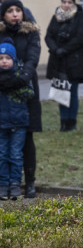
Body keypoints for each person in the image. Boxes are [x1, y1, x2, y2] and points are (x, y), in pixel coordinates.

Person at [0, 0, 40, 198]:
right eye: (10, 11)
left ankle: (29, 181)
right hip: (2, 93)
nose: (15, 14)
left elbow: (33, 57)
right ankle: (5, 181)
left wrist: (22, 76)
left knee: (27, 138)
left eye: (18, 10)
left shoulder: (30, 33)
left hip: (26, 89)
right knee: (3, 143)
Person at [44, 0, 83, 132]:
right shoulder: (55, 17)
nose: (66, 5)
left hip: (74, 61)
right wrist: (56, 49)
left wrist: (65, 49)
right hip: (58, 60)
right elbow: (48, 36)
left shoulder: (80, 18)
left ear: (74, 4)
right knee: (60, 91)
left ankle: (72, 122)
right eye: (64, 2)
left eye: (69, 2)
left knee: (72, 92)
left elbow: (81, 38)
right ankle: (63, 122)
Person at [0, 38, 33, 200]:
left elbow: (29, 93)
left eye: (7, 58)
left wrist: (14, 85)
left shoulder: (21, 76)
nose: (4, 62)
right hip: (1, 123)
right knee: (2, 154)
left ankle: (15, 184)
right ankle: (3, 184)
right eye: (1, 58)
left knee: (15, 155)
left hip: (18, 122)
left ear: (13, 60)